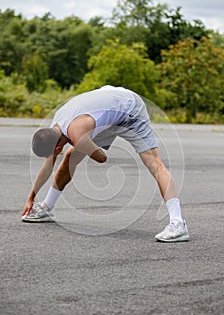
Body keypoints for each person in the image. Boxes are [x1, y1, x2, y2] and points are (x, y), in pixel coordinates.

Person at [21, 85, 189, 242]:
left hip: (130, 109)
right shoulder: (53, 128)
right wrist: (31, 198)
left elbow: (102, 158)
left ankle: (178, 223)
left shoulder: (76, 132)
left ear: (57, 146)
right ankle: (47, 207)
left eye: (53, 153)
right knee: (70, 158)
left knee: (154, 163)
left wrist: (83, 144)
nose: (52, 156)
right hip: (107, 109)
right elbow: (48, 166)